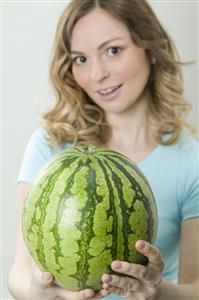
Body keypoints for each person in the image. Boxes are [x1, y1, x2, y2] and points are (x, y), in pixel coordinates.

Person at [8, 0, 199, 299]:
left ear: (151, 46)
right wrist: (40, 290)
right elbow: (18, 274)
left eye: (113, 50)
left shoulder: (191, 162)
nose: (97, 75)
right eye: (81, 59)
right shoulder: (50, 145)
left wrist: (158, 292)